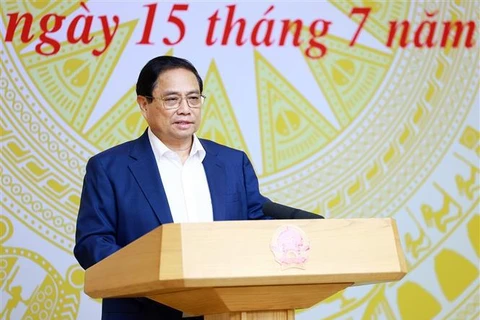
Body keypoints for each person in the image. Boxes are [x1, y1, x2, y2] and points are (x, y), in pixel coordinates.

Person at [73, 55, 269, 320]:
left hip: (225, 311)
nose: (185, 109)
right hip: (144, 312)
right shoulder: (109, 168)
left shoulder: (233, 163)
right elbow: (92, 243)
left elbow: (255, 230)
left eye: (193, 98)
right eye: (172, 99)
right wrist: (157, 275)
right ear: (144, 105)